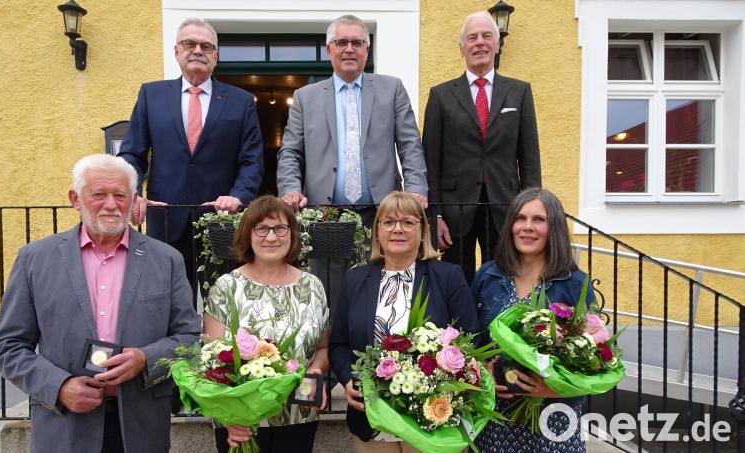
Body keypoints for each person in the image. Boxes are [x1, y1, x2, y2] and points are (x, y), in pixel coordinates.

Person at [0, 154, 202, 453]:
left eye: (120, 195)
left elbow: (191, 339)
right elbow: (8, 346)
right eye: (98, 194)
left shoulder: (166, 260)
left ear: (132, 200)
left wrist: (145, 358)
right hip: (64, 425)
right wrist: (59, 387)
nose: (111, 204)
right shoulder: (35, 260)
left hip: (141, 426)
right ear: (75, 199)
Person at [118, 17, 264, 296]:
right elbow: (131, 154)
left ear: (216, 56)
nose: (198, 50)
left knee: (224, 303)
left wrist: (238, 195)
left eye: (206, 46)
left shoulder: (240, 101)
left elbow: (251, 160)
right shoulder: (152, 95)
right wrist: (133, 192)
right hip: (165, 218)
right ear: (177, 52)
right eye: (189, 44)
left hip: (221, 220)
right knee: (167, 300)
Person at [329, 191, 480, 452]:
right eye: (388, 222)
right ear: (377, 231)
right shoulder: (356, 280)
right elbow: (339, 343)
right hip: (371, 417)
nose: (397, 229)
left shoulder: (448, 277)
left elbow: (471, 339)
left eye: (408, 222)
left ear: (423, 231)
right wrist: (348, 379)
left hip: (431, 419)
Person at [203, 195, 330, 453]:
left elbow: (322, 348)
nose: (271, 237)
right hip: (242, 420)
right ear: (247, 235)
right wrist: (230, 418)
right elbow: (212, 360)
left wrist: (317, 370)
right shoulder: (226, 287)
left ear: (292, 235)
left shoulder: (312, 286)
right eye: (261, 228)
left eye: (280, 228)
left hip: (298, 414)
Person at [471, 187, 593, 452]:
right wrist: (485, 373)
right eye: (520, 218)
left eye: (539, 220)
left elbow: (590, 361)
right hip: (496, 418)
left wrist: (550, 389)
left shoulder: (574, 284)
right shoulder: (487, 277)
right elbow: (469, 342)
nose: (527, 227)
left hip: (555, 417)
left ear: (555, 228)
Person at [423, 11, 541, 283]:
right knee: (456, 281)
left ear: (497, 45)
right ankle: (459, 327)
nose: (479, 42)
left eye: (487, 36)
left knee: (503, 279)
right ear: (462, 48)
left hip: (505, 206)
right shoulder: (440, 95)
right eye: (472, 37)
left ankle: (497, 327)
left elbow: (530, 158)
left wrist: (531, 211)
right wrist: (434, 216)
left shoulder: (519, 92)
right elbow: (431, 159)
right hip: (455, 209)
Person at [277, 14, 428, 227]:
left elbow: (410, 145)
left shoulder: (392, 90)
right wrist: (290, 189)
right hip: (322, 214)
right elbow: (290, 152)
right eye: (341, 43)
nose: (349, 49)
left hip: (384, 213)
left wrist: (415, 190)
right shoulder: (305, 97)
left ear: (367, 50)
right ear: (329, 50)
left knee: (384, 262)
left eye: (357, 43)